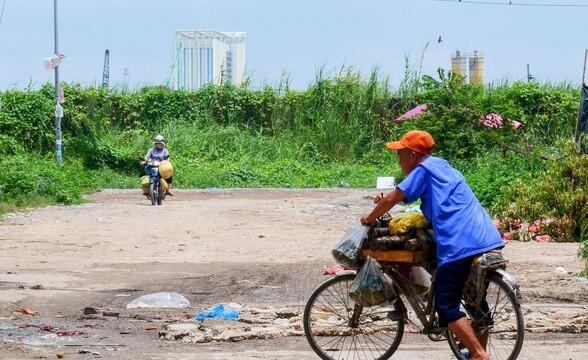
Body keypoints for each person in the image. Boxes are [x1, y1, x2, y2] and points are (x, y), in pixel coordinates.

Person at [360, 130, 503, 360]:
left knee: (446, 306)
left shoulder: (423, 170)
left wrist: (368, 218)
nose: (399, 159)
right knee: (474, 300)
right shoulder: (442, 166)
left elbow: (392, 199)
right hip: (485, 237)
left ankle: (478, 355)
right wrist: (387, 198)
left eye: (401, 154)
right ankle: (477, 351)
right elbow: (405, 196)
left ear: (414, 155)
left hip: (459, 243)